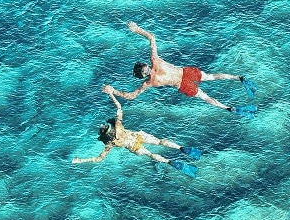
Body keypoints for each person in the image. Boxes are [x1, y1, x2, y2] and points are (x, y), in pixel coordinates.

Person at [108, 22, 257, 117]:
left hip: (182, 84)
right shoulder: (155, 61)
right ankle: (239, 78)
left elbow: (131, 96)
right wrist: (137, 30)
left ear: (142, 75)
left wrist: (113, 91)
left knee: (205, 97)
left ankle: (228, 108)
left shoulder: (149, 83)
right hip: (185, 73)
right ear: (145, 66)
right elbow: (152, 37)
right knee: (211, 77)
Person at [72, 87, 201, 177]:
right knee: (160, 141)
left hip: (134, 147)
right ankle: (181, 148)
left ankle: (170, 162)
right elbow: (119, 106)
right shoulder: (118, 126)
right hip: (138, 136)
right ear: (109, 128)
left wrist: (81, 160)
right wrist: (111, 93)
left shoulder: (110, 143)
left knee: (151, 155)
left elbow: (98, 159)